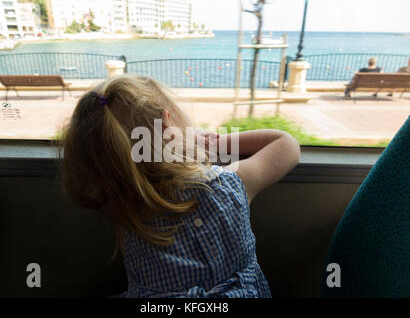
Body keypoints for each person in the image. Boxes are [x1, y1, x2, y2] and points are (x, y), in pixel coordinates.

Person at [60, 75, 300, 298]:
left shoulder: (123, 207)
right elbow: (286, 145)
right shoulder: (228, 187)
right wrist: (215, 144)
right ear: (168, 125)